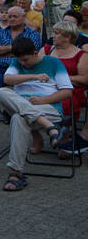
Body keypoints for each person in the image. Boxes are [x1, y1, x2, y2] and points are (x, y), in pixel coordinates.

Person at [0, 36, 73, 191]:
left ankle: (16, 172)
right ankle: (49, 127)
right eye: (20, 61)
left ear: (34, 53)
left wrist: (44, 100)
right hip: (26, 106)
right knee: (1, 91)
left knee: (19, 118)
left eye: (26, 60)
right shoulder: (17, 62)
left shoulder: (54, 63)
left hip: (49, 107)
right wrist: (33, 76)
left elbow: (67, 92)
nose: (23, 64)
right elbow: (7, 79)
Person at [44, 22, 88, 155]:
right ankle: (37, 138)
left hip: (71, 91)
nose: (52, 36)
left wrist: (62, 79)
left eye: (56, 33)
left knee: (64, 103)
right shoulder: (48, 50)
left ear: (68, 37)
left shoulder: (82, 55)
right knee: (26, 101)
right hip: (48, 89)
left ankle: (64, 135)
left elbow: (84, 79)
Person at [0, 6, 43, 101]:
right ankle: (12, 103)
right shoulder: (0, 32)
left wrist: (2, 53)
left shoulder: (33, 34)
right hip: (2, 68)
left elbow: (30, 53)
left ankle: (13, 105)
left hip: (25, 69)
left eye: (15, 16)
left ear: (24, 17)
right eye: (10, 16)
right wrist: (17, 48)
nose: (12, 19)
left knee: (33, 90)